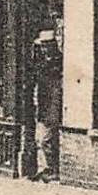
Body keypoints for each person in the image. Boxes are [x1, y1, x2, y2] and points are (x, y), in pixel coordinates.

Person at [30, 29, 64, 182]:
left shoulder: (58, 62)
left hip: (52, 107)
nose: (43, 49)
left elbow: (57, 88)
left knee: (46, 140)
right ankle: (46, 168)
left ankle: (53, 169)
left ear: (52, 45)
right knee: (41, 140)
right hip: (43, 106)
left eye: (46, 46)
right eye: (41, 46)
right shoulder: (43, 62)